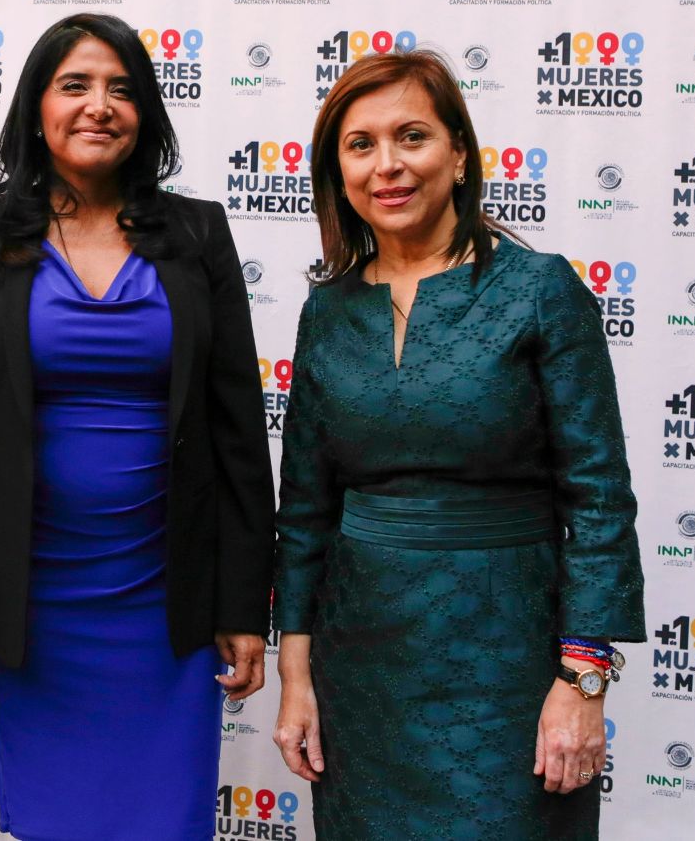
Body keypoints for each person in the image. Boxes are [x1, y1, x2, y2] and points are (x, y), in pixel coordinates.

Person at [0, 12, 275, 840]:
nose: (99, 105)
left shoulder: (198, 232)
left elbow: (238, 435)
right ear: (37, 105)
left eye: (121, 88)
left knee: (166, 822)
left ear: (145, 112)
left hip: (166, 598)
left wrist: (246, 606)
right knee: (53, 819)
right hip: (34, 601)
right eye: (75, 85)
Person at [270, 50, 645, 839]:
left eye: (412, 136)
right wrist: (296, 677)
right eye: (360, 145)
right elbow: (305, 512)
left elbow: (600, 498)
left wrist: (582, 680)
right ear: (338, 171)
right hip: (361, 667)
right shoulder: (326, 312)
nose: (388, 165)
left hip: (508, 662)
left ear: (459, 153)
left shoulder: (541, 290)